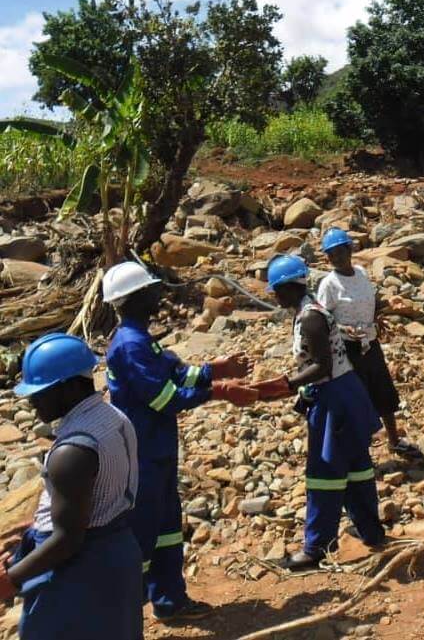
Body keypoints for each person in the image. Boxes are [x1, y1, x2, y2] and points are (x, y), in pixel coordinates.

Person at [104, 262, 257, 622]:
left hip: (158, 449)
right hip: (142, 452)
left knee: (168, 528)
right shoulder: (130, 345)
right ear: (135, 297)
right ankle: (122, 615)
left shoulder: (142, 338)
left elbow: (176, 372)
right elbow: (164, 397)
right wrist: (218, 390)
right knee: (142, 532)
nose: (159, 294)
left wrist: (213, 370)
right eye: (151, 290)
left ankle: (170, 601)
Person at [2, 334, 142, 640]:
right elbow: (94, 499)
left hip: (76, 570)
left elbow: (68, 538)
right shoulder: (114, 417)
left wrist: (10, 580)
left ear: (69, 387)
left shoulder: (71, 451)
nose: (32, 401)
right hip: (118, 555)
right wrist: (36, 521)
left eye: (40, 392)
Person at [265, 254, 385, 570]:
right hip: (344, 392)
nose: (274, 297)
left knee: (324, 472)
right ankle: (371, 531)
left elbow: (322, 366)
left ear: (289, 288)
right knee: (356, 464)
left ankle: (317, 546)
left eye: (276, 290)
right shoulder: (308, 311)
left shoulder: (311, 318)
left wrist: (284, 385)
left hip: (335, 397)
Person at [316, 228, 422, 459]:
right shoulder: (329, 284)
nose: (336, 257)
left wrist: (382, 308)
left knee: (383, 391)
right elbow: (320, 318)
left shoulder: (361, 273)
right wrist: (342, 329)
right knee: (357, 399)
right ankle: (359, 452)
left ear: (349, 250)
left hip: (369, 343)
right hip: (347, 350)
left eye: (340, 251)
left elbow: (370, 300)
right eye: (331, 254)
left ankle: (394, 441)